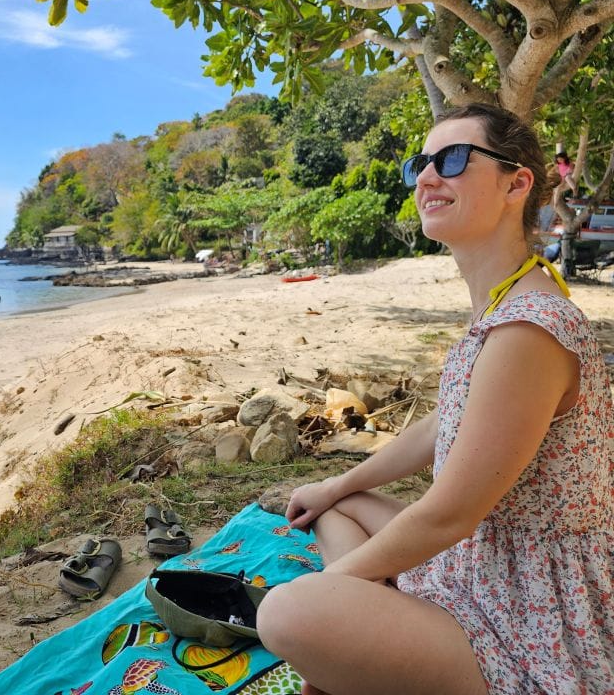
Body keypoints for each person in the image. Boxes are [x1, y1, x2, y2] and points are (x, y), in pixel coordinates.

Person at [256, 103, 614, 695]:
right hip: (481, 558)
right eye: (420, 163)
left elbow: (451, 514)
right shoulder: (507, 300)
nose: (426, 177)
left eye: (452, 160)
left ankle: (369, 629)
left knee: (286, 613)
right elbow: (442, 423)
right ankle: (377, 626)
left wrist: (332, 587)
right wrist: (335, 485)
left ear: (516, 183)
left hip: (529, 605)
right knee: (333, 507)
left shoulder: (528, 330)